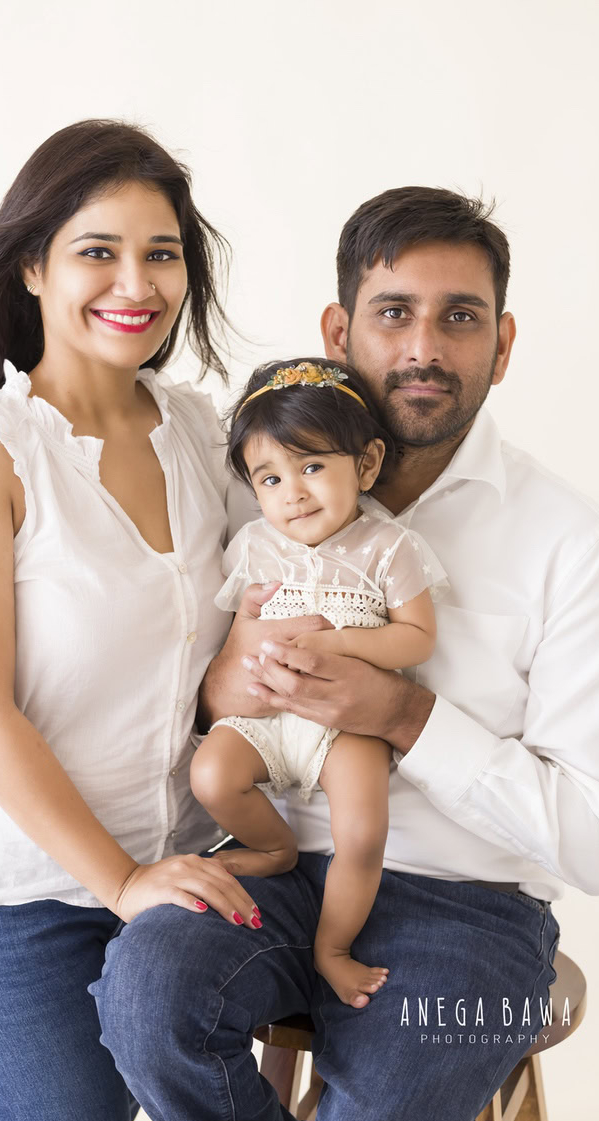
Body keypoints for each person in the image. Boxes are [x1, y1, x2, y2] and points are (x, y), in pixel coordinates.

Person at [91, 187, 599, 1121]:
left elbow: (598, 843)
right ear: (338, 329)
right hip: (275, 870)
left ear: (503, 342)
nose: (424, 346)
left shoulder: (569, 543)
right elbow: (187, 695)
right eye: (394, 312)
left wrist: (402, 714)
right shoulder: (257, 492)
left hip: (467, 922)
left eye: (459, 316)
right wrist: (230, 678)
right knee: (144, 990)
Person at [0, 118, 266, 1121]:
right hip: (10, 914)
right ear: (32, 265)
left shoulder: (205, 434)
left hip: (178, 894)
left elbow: (261, 618)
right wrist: (122, 882)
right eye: (96, 250)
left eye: (161, 253)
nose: (135, 282)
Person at [191, 356, 446, 1008]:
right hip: (271, 717)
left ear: (364, 465)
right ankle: (272, 846)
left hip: (349, 725)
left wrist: (335, 642)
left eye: (311, 467)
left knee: (361, 831)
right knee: (212, 773)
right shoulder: (254, 545)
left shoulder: (388, 547)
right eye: (269, 478)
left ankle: (332, 948)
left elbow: (416, 636)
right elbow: (231, 642)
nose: (292, 493)